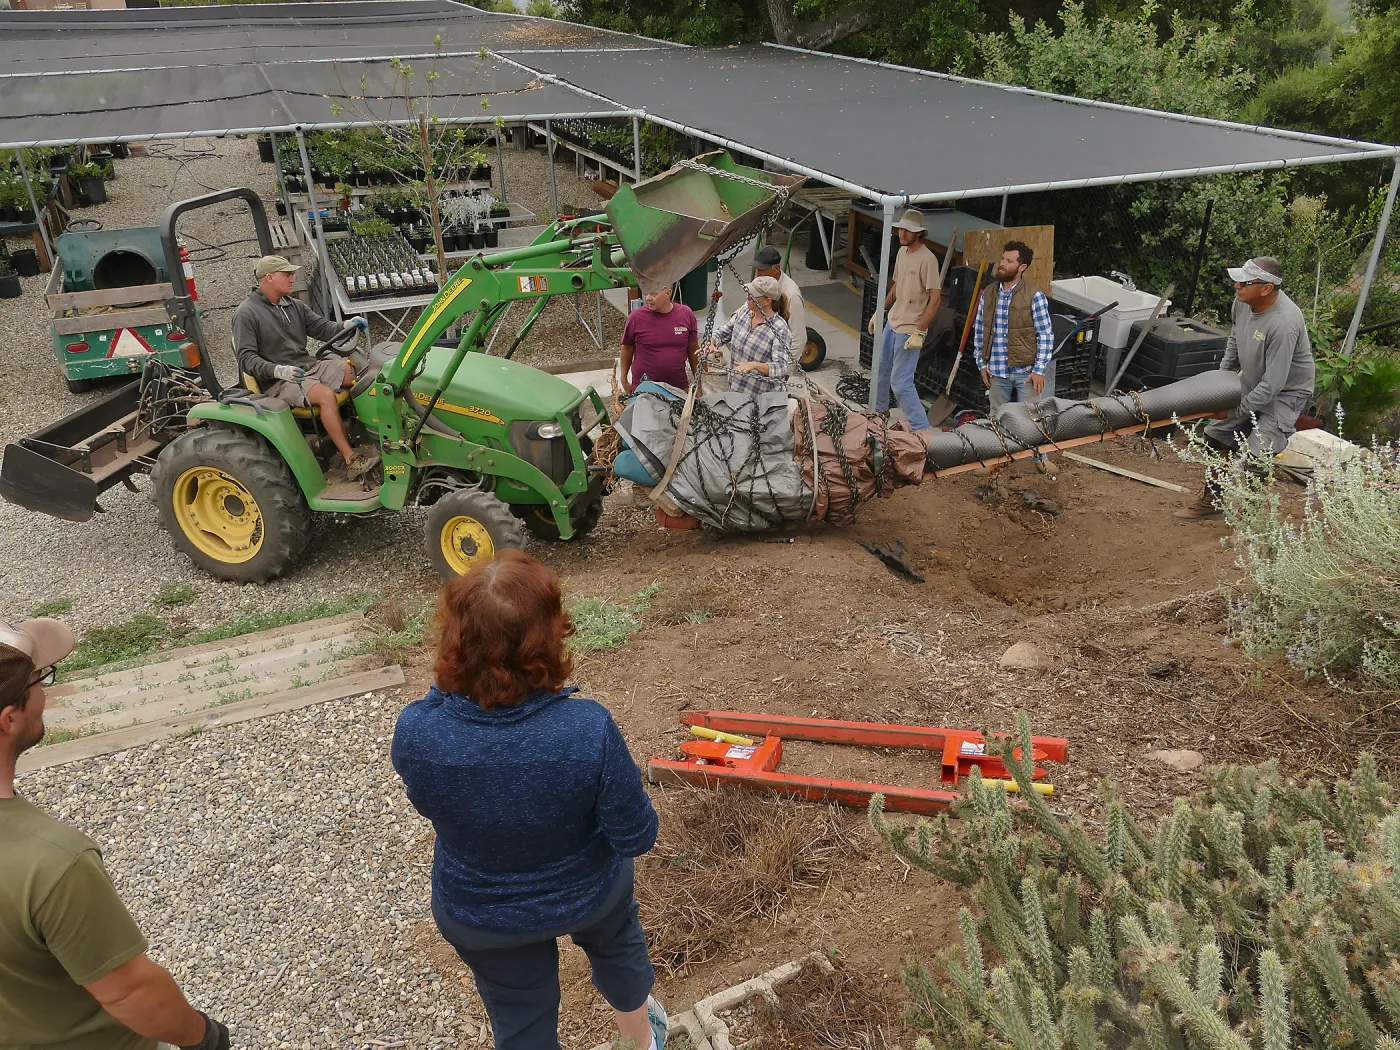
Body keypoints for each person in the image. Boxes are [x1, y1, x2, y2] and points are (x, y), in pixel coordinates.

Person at [392, 551, 668, 1050]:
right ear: (550, 636)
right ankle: (641, 1038)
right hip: (589, 895)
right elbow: (637, 835)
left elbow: (428, 803)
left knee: (520, 1016)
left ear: (454, 637)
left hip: (481, 911)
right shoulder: (588, 728)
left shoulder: (417, 731)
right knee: (619, 944)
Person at [0, 617, 229, 1050]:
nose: (45, 694)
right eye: (39, 680)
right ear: (9, 718)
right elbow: (129, 992)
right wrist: (204, 1038)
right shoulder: (51, 862)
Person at [1175, 256, 1314, 520]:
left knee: (1256, 455)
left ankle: (1249, 519)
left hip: (1285, 394)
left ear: (1266, 288)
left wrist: (1230, 412)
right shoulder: (1242, 304)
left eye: (1244, 282)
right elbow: (1234, 340)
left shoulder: (1284, 324)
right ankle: (1212, 503)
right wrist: (1221, 382)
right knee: (1216, 436)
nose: (1236, 286)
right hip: (1253, 381)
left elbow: (1273, 386)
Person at [232, 255, 374, 476]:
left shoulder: (293, 305)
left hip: (307, 367)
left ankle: (368, 435)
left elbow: (322, 328)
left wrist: (346, 325)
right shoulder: (247, 314)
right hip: (280, 381)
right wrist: (278, 370)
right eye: (287, 274)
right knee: (326, 395)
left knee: (362, 374)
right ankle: (351, 459)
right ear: (269, 277)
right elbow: (246, 359)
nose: (292, 278)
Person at [971, 240, 1057, 470]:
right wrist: (981, 362)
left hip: (1026, 371)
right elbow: (979, 330)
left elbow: (1046, 335)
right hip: (996, 370)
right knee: (996, 416)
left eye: (1009, 261)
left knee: (1033, 416)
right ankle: (995, 460)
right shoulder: (988, 294)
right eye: (1002, 259)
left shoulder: (1034, 296)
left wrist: (1039, 370)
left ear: (1022, 267)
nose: (1002, 264)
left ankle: (1040, 460)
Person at [866, 209, 940, 439]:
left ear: (918, 233)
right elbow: (897, 286)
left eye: (907, 230)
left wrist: (920, 331)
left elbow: (935, 298)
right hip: (893, 322)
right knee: (880, 370)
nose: (902, 233)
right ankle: (878, 415)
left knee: (901, 383)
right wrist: (881, 311)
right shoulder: (901, 252)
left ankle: (921, 429)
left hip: (910, 329)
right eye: (901, 229)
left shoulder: (928, 259)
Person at [708, 275, 793, 395]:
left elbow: (780, 368)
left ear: (767, 301)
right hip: (736, 391)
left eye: (751, 295)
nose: (746, 297)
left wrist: (754, 365)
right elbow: (724, 332)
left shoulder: (780, 329)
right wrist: (712, 341)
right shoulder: (745, 311)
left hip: (762, 400)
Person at [620, 282, 700, 394]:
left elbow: (693, 350)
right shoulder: (635, 317)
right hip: (644, 390)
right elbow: (626, 349)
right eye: (647, 293)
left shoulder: (686, 314)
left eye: (653, 294)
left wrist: (699, 386)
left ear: (668, 293)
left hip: (678, 389)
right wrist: (623, 379)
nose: (648, 298)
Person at [754, 244, 806, 363]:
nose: (757, 273)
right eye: (756, 269)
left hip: (778, 358)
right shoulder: (761, 282)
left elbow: (799, 337)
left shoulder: (791, 295)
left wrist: (786, 369)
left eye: (762, 269)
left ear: (776, 268)